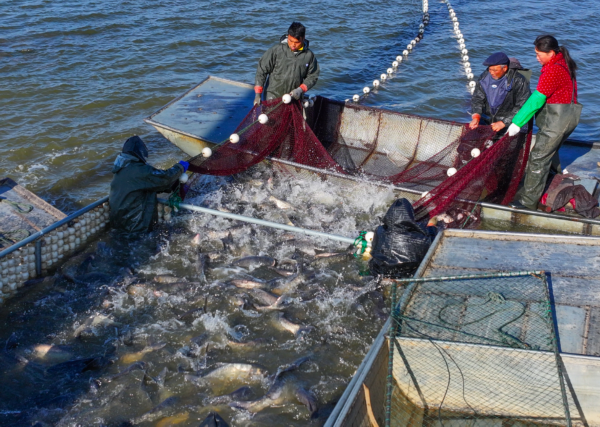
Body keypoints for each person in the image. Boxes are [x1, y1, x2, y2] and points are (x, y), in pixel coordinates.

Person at [507, 35, 582, 210]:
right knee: (550, 150)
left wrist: (517, 122)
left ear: (550, 53)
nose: (536, 57)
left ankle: (528, 202)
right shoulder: (563, 61)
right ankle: (552, 179)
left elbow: (537, 99)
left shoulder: (552, 70)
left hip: (557, 122)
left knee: (538, 157)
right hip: (568, 118)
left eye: (539, 54)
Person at [109, 136, 188, 233]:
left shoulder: (120, 169)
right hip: (136, 228)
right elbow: (165, 178)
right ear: (139, 152)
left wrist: (168, 187)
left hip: (120, 225)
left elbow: (144, 185)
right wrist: (180, 167)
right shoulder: (138, 170)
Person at [254, 22, 320, 104]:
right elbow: (262, 70)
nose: (293, 45)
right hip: (272, 97)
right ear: (288, 36)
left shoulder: (309, 56)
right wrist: (258, 94)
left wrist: (300, 90)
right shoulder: (276, 50)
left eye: (296, 42)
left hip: (294, 98)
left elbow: (313, 76)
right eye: (290, 41)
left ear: (303, 38)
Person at [470, 52, 531, 134]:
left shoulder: (519, 80)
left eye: (495, 70)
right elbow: (477, 98)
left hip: (508, 123)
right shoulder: (484, 77)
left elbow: (522, 106)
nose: (491, 73)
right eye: (490, 69)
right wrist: (476, 116)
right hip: (487, 121)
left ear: (505, 68)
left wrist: (504, 122)